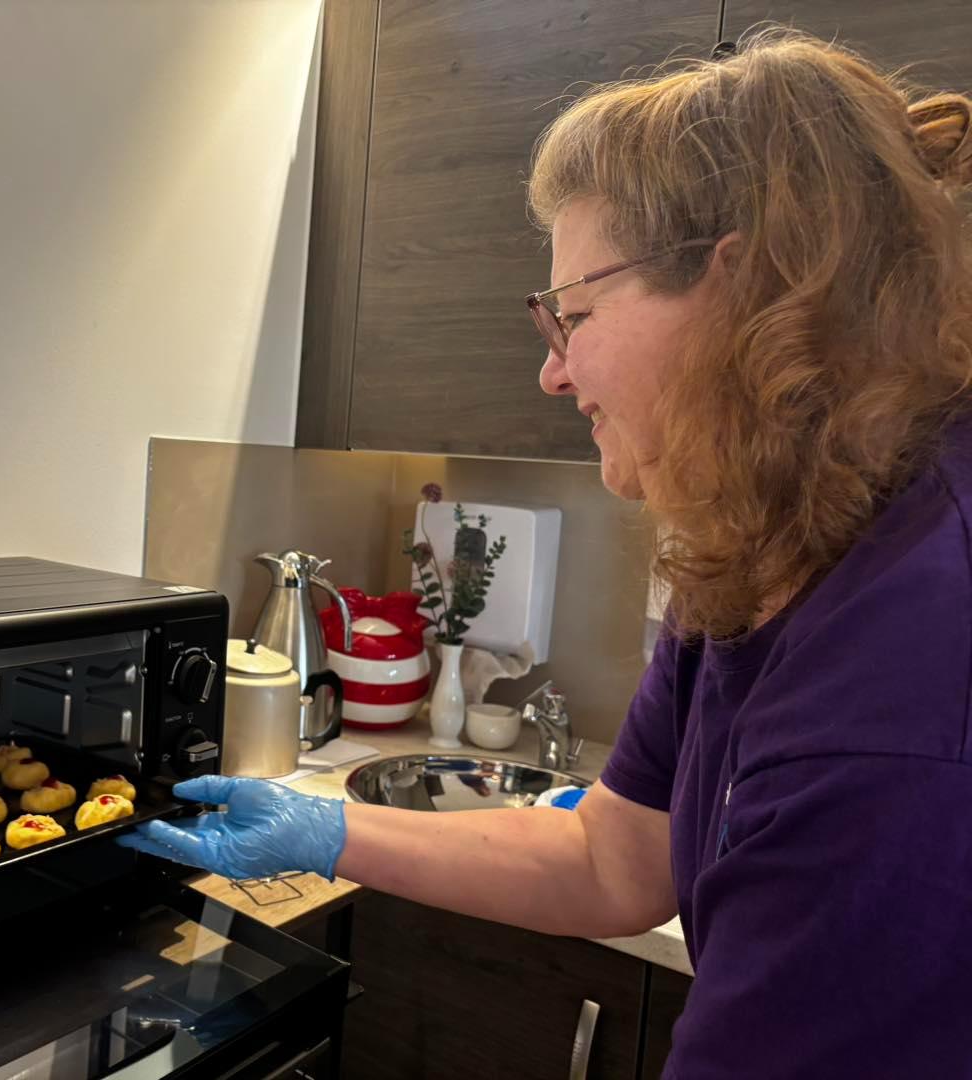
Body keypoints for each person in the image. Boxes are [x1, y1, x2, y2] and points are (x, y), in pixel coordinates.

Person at [121, 28, 972, 1077]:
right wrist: (322, 833)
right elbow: (610, 856)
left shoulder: (906, 684)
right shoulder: (758, 548)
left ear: (745, 289)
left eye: (573, 314)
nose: (553, 376)